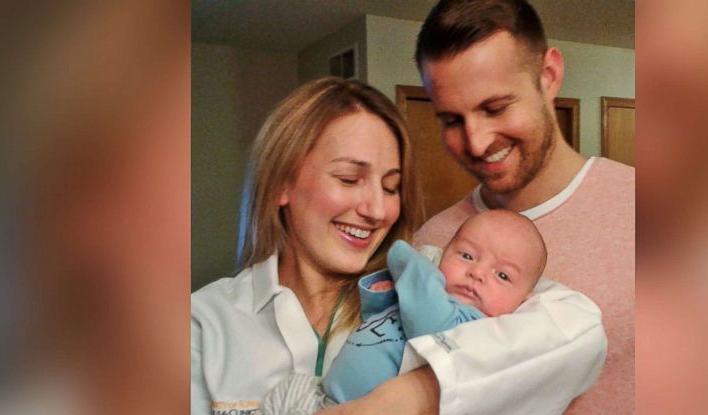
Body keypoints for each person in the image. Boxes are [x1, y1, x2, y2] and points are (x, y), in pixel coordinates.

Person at [326, 1, 633, 414]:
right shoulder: (434, 243)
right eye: (452, 120)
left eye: (495, 108)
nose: (475, 141)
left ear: (548, 77)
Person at [190, 77, 424, 415]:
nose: (377, 210)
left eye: (391, 187)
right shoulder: (201, 324)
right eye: (348, 179)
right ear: (281, 184)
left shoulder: (415, 313)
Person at [261, 210, 549, 414]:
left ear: (523, 301)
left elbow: (430, 324)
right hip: (317, 392)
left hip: (359, 409)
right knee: (278, 395)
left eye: (502, 276)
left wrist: (407, 260)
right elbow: (376, 323)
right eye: (467, 256)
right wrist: (384, 295)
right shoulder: (429, 296)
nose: (477, 273)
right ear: (444, 254)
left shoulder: (473, 327)